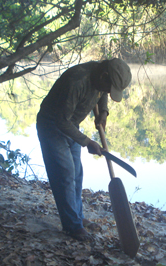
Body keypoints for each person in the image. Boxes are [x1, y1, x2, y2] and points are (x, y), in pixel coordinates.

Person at [36, 58, 132, 241]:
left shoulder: (100, 76)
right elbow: (61, 121)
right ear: (104, 76)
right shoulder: (76, 82)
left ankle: (77, 217)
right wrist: (87, 142)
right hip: (52, 126)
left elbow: (102, 92)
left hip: (71, 125)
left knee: (77, 174)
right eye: (109, 87)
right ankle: (72, 226)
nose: (107, 92)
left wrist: (103, 111)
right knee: (65, 173)